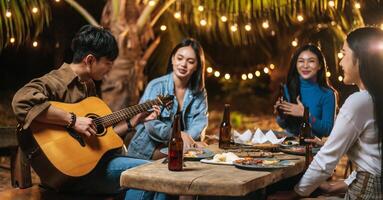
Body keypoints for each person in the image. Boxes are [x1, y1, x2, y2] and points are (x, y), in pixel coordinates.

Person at [12, 25, 164, 200]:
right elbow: (21, 101)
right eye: (108, 63)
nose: (110, 70)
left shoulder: (88, 85)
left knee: (154, 177)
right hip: (70, 175)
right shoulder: (57, 81)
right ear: (90, 60)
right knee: (151, 174)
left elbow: (100, 138)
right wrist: (73, 120)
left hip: (93, 166)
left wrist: (133, 123)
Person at [274, 27, 383, 199]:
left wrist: (295, 193)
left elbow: (328, 158)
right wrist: (339, 185)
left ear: (360, 58)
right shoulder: (375, 97)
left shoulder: (358, 101)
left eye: (344, 54)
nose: (340, 62)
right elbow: (376, 159)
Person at [127, 38, 208, 160]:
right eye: (179, 58)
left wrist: (188, 141)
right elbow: (150, 123)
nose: (183, 64)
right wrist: (178, 136)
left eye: (190, 61)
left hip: (181, 150)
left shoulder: (199, 91)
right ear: (172, 59)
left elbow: (200, 122)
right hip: (147, 151)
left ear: (197, 66)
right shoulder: (156, 86)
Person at [274, 44, 337, 138]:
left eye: (311, 61)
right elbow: (285, 125)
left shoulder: (327, 94)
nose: (305, 66)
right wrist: (281, 116)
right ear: (295, 65)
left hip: (313, 148)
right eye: (301, 61)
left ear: (319, 65)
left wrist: (305, 114)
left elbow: (327, 130)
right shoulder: (288, 88)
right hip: (289, 145)